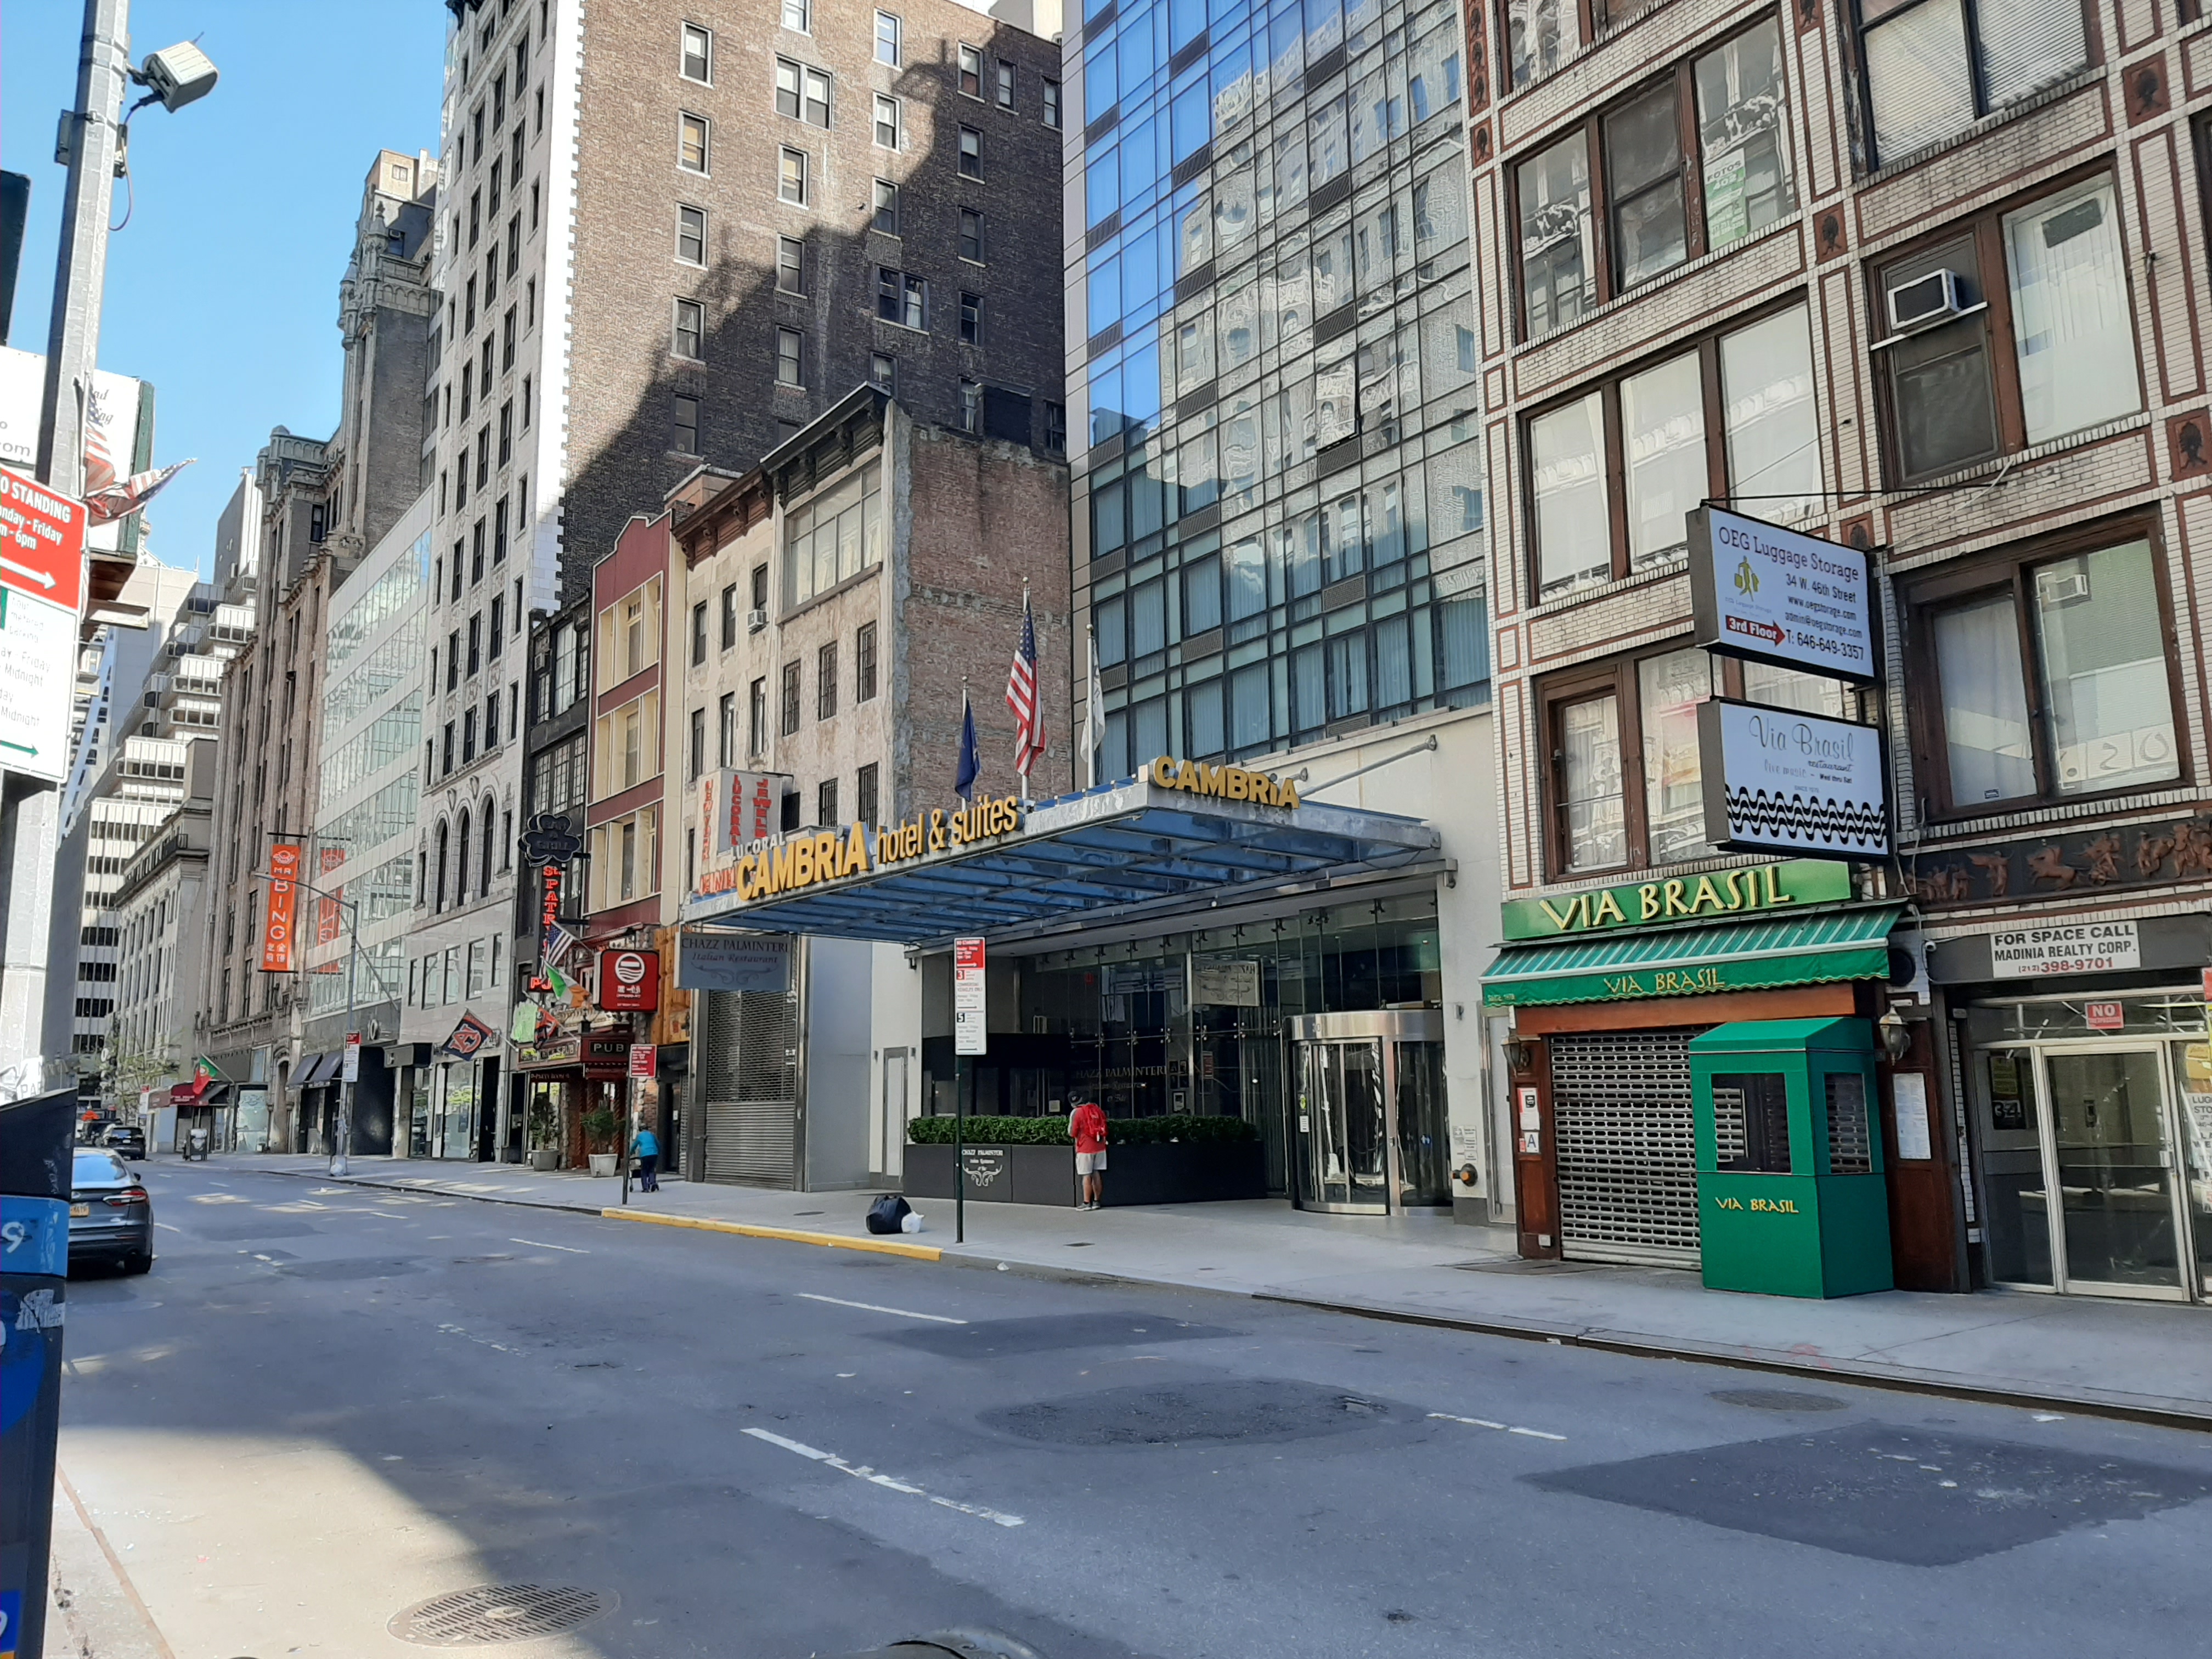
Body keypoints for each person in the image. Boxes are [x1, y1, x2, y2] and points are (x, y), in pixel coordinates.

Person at [1068, 1098, 1108, 1210]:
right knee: (1096, 1173)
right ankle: (1097, 1202)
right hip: (1100, 1146)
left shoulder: (1077, 1112)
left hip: (1085, 1147)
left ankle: (1087, 1203)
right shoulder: (1097, 1109)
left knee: (1086, 1175)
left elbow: (1072, 1132)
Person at [631, 1118, 661, 1192]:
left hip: (644, 1154)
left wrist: (631, 1153)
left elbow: (634, 1146)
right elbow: (658, 1144)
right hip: (654, 1153)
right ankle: (652, 1182)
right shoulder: (652, 1135)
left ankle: (645, 1188)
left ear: (640, 1129)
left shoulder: (640, 1136)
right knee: (652, 1169)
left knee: (644, 1171)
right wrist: (658, 1152)